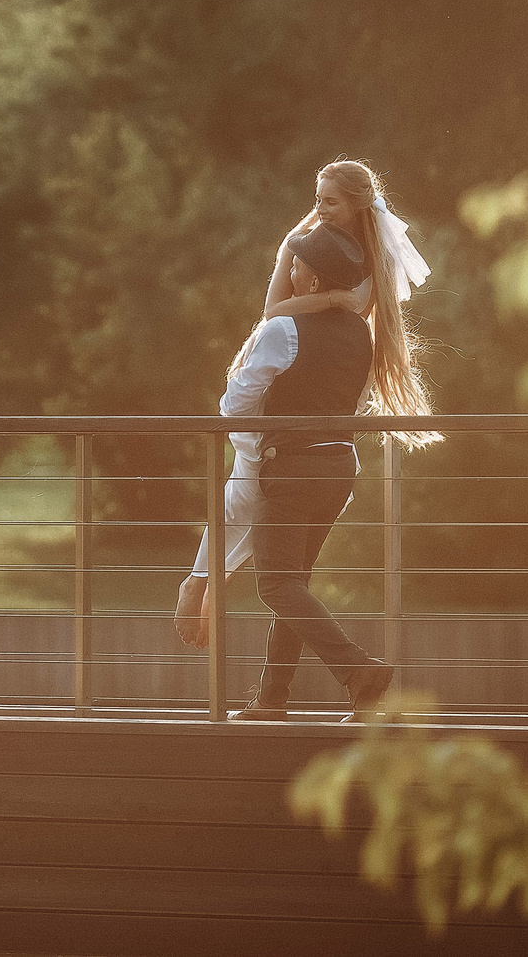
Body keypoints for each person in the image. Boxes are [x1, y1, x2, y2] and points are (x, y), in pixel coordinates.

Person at [174, 159, 438, 719]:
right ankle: (273, 698)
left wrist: (257, 431)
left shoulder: (283, 328)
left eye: (295, 267)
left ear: (309, 278)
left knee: (275, 585)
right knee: (293, 583)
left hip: (292, 470)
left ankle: (360, 671)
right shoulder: (362, 335)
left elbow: (234, 406)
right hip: (339, 468)